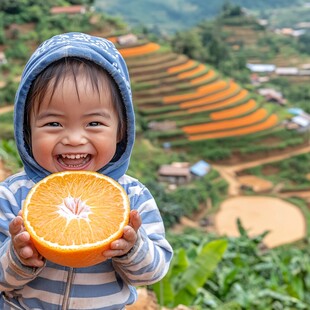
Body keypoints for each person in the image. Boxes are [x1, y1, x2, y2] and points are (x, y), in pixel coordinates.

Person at [0, 32, 173, 309]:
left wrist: (132, 247)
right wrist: (16, 257)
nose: (74, 139)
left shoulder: (131, 198)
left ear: (121, 130)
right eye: (54, 124)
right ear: (27, 131)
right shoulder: (12, 196)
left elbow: (153, 273)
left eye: (94, 124)